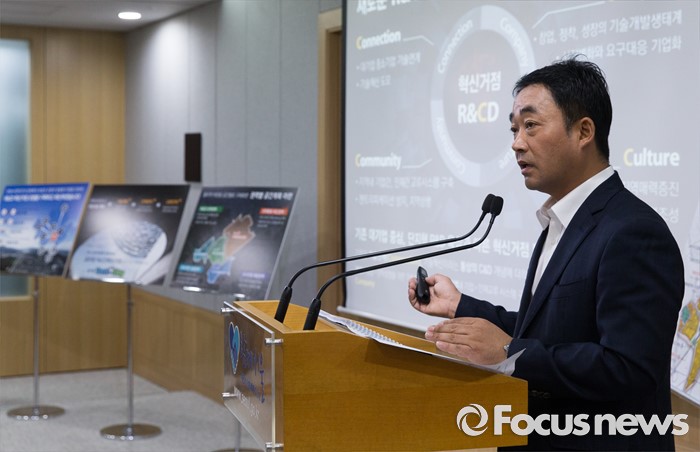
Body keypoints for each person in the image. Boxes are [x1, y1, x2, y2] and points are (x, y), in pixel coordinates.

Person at [408, 57, 684, 451]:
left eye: (531, 125)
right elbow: (553, 330)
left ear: (583, 131)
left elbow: (628, 367)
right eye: (514, 129)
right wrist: (460, 306)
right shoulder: (562, 220)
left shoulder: (633, 231)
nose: (517, 143)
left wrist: (510, 352)